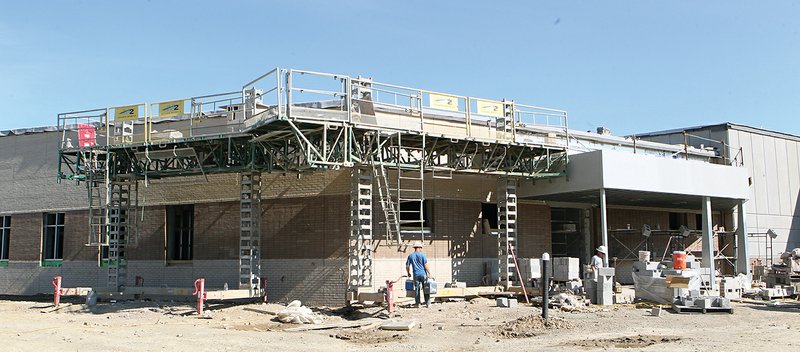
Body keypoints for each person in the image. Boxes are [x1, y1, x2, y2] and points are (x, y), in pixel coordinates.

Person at [406, 241, 433, 308]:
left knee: (417, 289)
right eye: (421, 247)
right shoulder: (422, 255)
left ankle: (418, 304)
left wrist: (408, 273)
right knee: (426, 288)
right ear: (419, 247)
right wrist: (430, 273)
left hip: (416, 275)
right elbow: (425, 265)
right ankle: (428, 303)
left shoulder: (410, 256)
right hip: (423, 274)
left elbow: (407, 266)